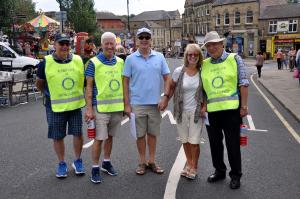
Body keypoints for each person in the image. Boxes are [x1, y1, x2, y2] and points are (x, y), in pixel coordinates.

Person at [201, 31, 249, 189]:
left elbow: (243, 83)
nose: (212, 47)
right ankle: (219, 171)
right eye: (209, 45)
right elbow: (202, 89)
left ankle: (235, 175)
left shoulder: (234, 58)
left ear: (222, 44)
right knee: (215, 145)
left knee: (232, 145)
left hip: (231, 111)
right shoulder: (205, 64)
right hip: (212, 112)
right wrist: (203, 106)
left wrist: (244, 106)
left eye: (215, 44)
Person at [35, 33, 86, 178]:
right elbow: (39, 83)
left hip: (75, 105)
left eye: (67, 44)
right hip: (54, 106)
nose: (64, 46)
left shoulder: (77, 60)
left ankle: (77, 161)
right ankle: (62, 163)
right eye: (61, 43)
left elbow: (82, 80)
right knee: (58, 136)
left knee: (78, 133)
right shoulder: (46, 62)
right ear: (55, 44)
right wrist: (50, 94)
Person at [123, 27, 170, 175]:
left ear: (151, 40)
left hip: (155, 103)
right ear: (137, 40)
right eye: (141, 37)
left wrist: (165, 97)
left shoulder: (160, 57)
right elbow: (125, 82)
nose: (144, 40)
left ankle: (152, 161)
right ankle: (142, 161)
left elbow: (167, 78)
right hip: (137, 104)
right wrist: (127, 104)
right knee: (140, 135)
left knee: (153, 134)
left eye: (147, 37)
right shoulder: (130, 59)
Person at [85, 32, 124, 184]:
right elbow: (88, 87)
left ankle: (106, 163)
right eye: (106, 43)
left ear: (115, 45)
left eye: (111, 43)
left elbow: (123, 85)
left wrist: (126, 105)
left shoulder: (120, 62)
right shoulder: (93, 63)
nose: (109, 46)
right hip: (100, 108)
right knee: (99, 139)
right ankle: (95, 168)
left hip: (116, 107)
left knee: (110, 137)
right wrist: (89, 109)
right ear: (101, 45)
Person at [168, 44, 205, 180]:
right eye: (190, 54)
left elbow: (206, 91)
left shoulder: (202, 71)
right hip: (181, 111)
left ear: (199, 56)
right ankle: (188, 164)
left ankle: (194, 166)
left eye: (195, 54)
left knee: (194, 142)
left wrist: (204, 106)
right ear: (186, 56)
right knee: (185, 140)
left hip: (196, 112)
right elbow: (171, 87)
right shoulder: (179, 71)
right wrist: (165, 99)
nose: (193, 57)